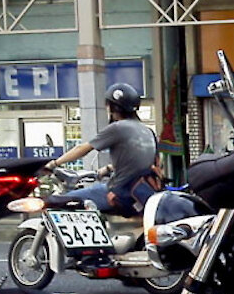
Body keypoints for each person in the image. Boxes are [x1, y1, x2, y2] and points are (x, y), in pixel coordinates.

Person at [44, 82, 160, 215]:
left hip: (120, 192)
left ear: (113, 107)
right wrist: (108, 169)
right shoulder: (148, 131)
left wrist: (53, 164)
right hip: (142, 192)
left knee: (62, 201)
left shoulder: (118, 128)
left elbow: (83, 148)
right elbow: (137, 161)